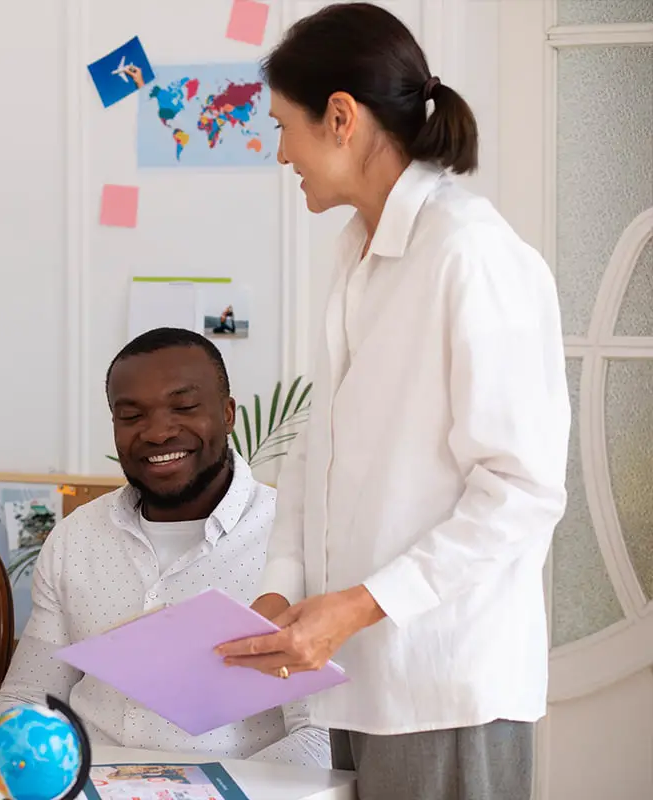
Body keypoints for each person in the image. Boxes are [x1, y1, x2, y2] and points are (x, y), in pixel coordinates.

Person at [213, 5, 571, 799]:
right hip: (360, 683)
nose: (280, 153)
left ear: (340, 117)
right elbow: (319, 447)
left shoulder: (472, 255)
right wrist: (282, 582)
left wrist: (362, 604)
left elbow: (522, 489)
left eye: (284, 127)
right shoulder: (357, 258)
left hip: (446, 684)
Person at [0, 327, 331, 767]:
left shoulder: (296, 541)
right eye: (131, 416)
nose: (156, 433)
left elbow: (320, 739)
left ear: (228, 414)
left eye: (184, 407)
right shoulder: (76, 538)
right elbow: (27, 697)